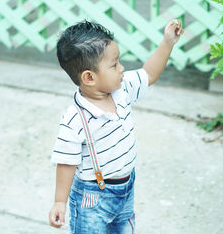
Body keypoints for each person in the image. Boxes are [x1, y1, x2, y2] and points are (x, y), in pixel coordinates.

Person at [48, 19, 184, 233]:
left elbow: (148, 74)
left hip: (126, 187)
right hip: (92, 198)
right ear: (89, 77)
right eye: (114, 65)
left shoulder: (122, 89)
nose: (122, 68)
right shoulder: (75, 119)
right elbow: (66, 162)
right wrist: (59, 202)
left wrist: (168, 42)